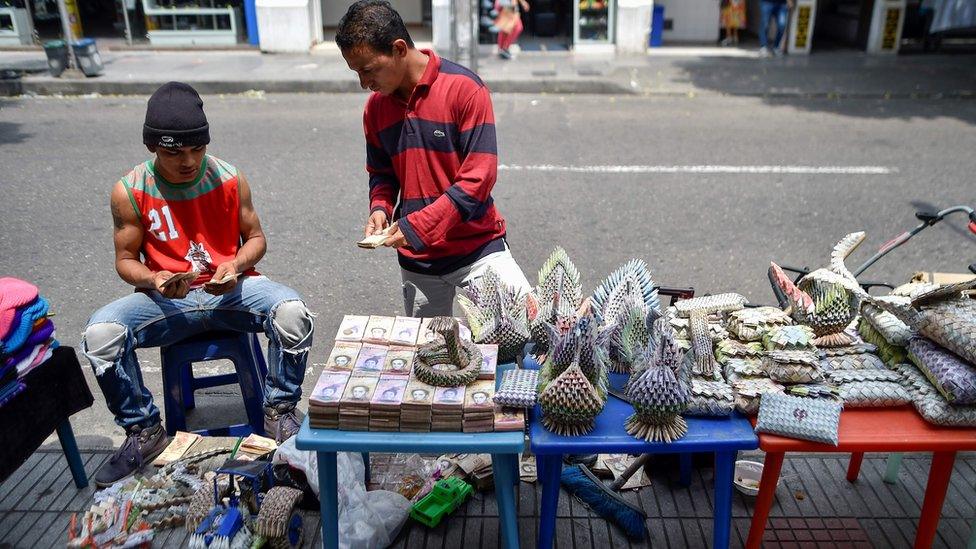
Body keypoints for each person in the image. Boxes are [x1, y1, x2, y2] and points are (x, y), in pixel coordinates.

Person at [82, 82, 314, 487]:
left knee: (292, 313)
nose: (188, 161)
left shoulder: (229, 177)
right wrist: (154, 278)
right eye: (174, 152)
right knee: (101, 334)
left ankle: (279, 414)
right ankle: (144, 431)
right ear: (154, 148)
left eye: (197, 149)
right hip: (168, 301)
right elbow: (124, 261)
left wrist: (235, 264)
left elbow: (256, 239)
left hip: (231, 292)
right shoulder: (130, 191)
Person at [336, 0, 532, 318]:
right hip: (417, 259)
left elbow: (477, 179)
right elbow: (382, 172)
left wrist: (418, 226)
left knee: (522, 337)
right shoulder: (376, 108)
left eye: (368, 70)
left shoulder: (465, 90)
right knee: (431, 357)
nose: (364, 83)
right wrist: (380, 208)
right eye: (357, 73)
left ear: (399, 48)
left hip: (478, 248)